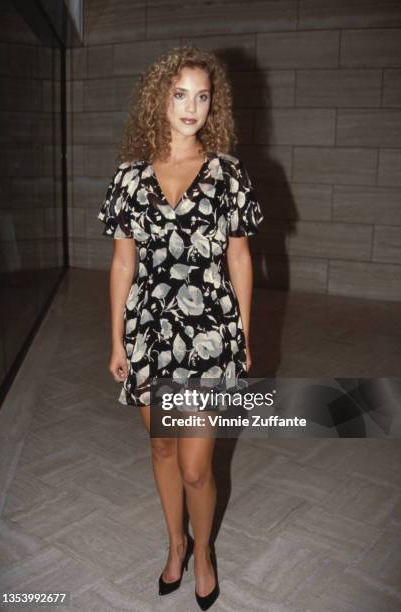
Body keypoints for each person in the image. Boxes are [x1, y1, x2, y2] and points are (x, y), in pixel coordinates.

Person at [97, 45, 264, 610]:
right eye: (179, 94)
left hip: (209, 333)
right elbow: (123, 262)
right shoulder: (128, 177)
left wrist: (242, 329)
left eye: (202, 96)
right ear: (159, 99)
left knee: (197, 467)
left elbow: (239, 257)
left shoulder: (227, 174)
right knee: (163, 448)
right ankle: (176, 545)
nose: (191, 107)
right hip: (148, 332)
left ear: (212, 106)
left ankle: (207, 551)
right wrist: (117, 337)